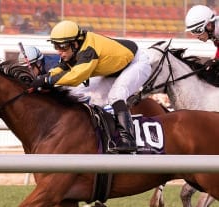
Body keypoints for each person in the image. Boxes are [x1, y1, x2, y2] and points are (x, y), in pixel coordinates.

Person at [30, 20, 152, 153]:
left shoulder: (88, 51)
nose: (59, 51)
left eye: (63, 46)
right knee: (91, 96)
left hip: (136, 63)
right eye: (56, 46)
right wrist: (43, 77)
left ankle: (128, 140)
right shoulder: (75, 48)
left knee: (116, 96)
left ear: (75, 43)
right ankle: (104, 136)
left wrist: (47, 80)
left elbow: (75, 77)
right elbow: (62, 68)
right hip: (115, 69)